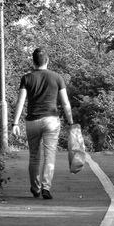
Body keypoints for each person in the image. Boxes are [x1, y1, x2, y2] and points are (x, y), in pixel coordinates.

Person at [12, 47, 74, 199]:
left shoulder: (26, 78)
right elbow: (65, 103)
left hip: (32, 121)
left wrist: (15, 123)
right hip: (51, 121)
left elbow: (21, 101)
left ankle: (36, 188)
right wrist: (71, 122)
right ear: (47, 61)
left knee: (34, 156)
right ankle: (46, 187)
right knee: (50, 155)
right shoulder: (57, 77)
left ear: (33, 61)